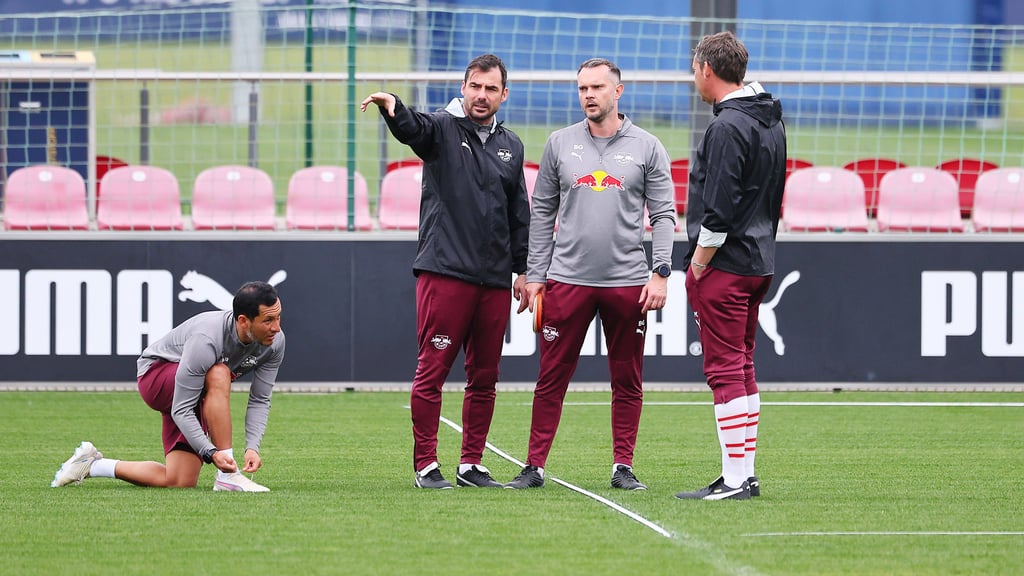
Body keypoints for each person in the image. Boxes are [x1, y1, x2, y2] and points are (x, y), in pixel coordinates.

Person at [360, 54, 530, 489]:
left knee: (485, 377)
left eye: (491, 89)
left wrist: (524, 271)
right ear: (464, 87)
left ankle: (471, 464)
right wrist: (392, 105)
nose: (481, 95)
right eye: (475, 86)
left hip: (493, 281)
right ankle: (426, 465)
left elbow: (519, 214)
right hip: (446, 273)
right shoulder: (441, 128)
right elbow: (412, 127)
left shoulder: (512, 145)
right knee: (432, 369)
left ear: (503, 95)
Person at [505, 58, 676, 491]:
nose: (589, 95)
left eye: (597, 87)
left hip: (627, 284)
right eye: (582, 88)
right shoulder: (560, 143)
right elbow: (541, 211)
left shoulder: (648, 146)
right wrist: (535, 272)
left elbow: (665, 214)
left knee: (627, 378)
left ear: (618, 92)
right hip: (567, 280)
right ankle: (534, 465)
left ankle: (623, 466)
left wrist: (659, 273)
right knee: (551, 377)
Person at [674, 31, 786, 501]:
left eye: (693, 68)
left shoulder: (725, 127)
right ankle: (745, 473)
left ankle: (735, 479)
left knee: (724, 370)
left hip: (725, 265)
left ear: (706, 70)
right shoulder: (771, 121)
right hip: (759, 260)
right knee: (743, 366)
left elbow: (717, 209)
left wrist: (698, 264)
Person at [51, 281, 285, 492]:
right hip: (156, 377)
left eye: (278, 318)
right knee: (219, 372)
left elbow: (260, 399)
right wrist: (211, 452)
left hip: (196, 391)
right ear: (243, 321)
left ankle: (92, 465)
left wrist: (252, 447)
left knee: (179, 481)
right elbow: (181, 409)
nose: (276, 327)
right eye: (268, 320)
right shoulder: (207, 338)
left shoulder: (275, 343)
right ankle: (229, 477)